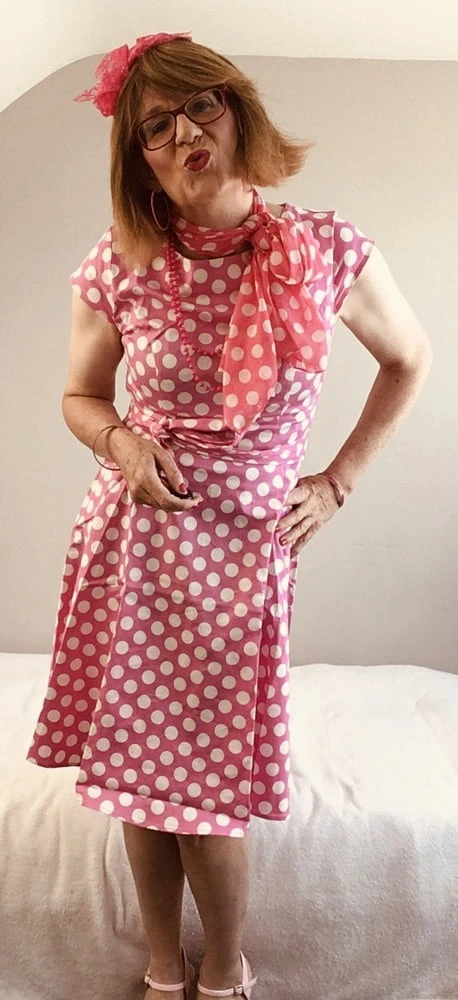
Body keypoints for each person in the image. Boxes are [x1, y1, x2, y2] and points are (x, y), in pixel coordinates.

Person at [25, 30, 433, 1000]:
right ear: (139, 157)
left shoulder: (324, 249)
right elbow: (80, 396)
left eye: (199, 106)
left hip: (242, 556)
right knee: (137, 773)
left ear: (237, 111)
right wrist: (122, 443)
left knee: (203, 794)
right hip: (132, 543)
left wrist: (335, 481)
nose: (183, 133)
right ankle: (163, 967)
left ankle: (226, 970)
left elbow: (408, 358)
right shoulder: (120, 261)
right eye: (155, 126)